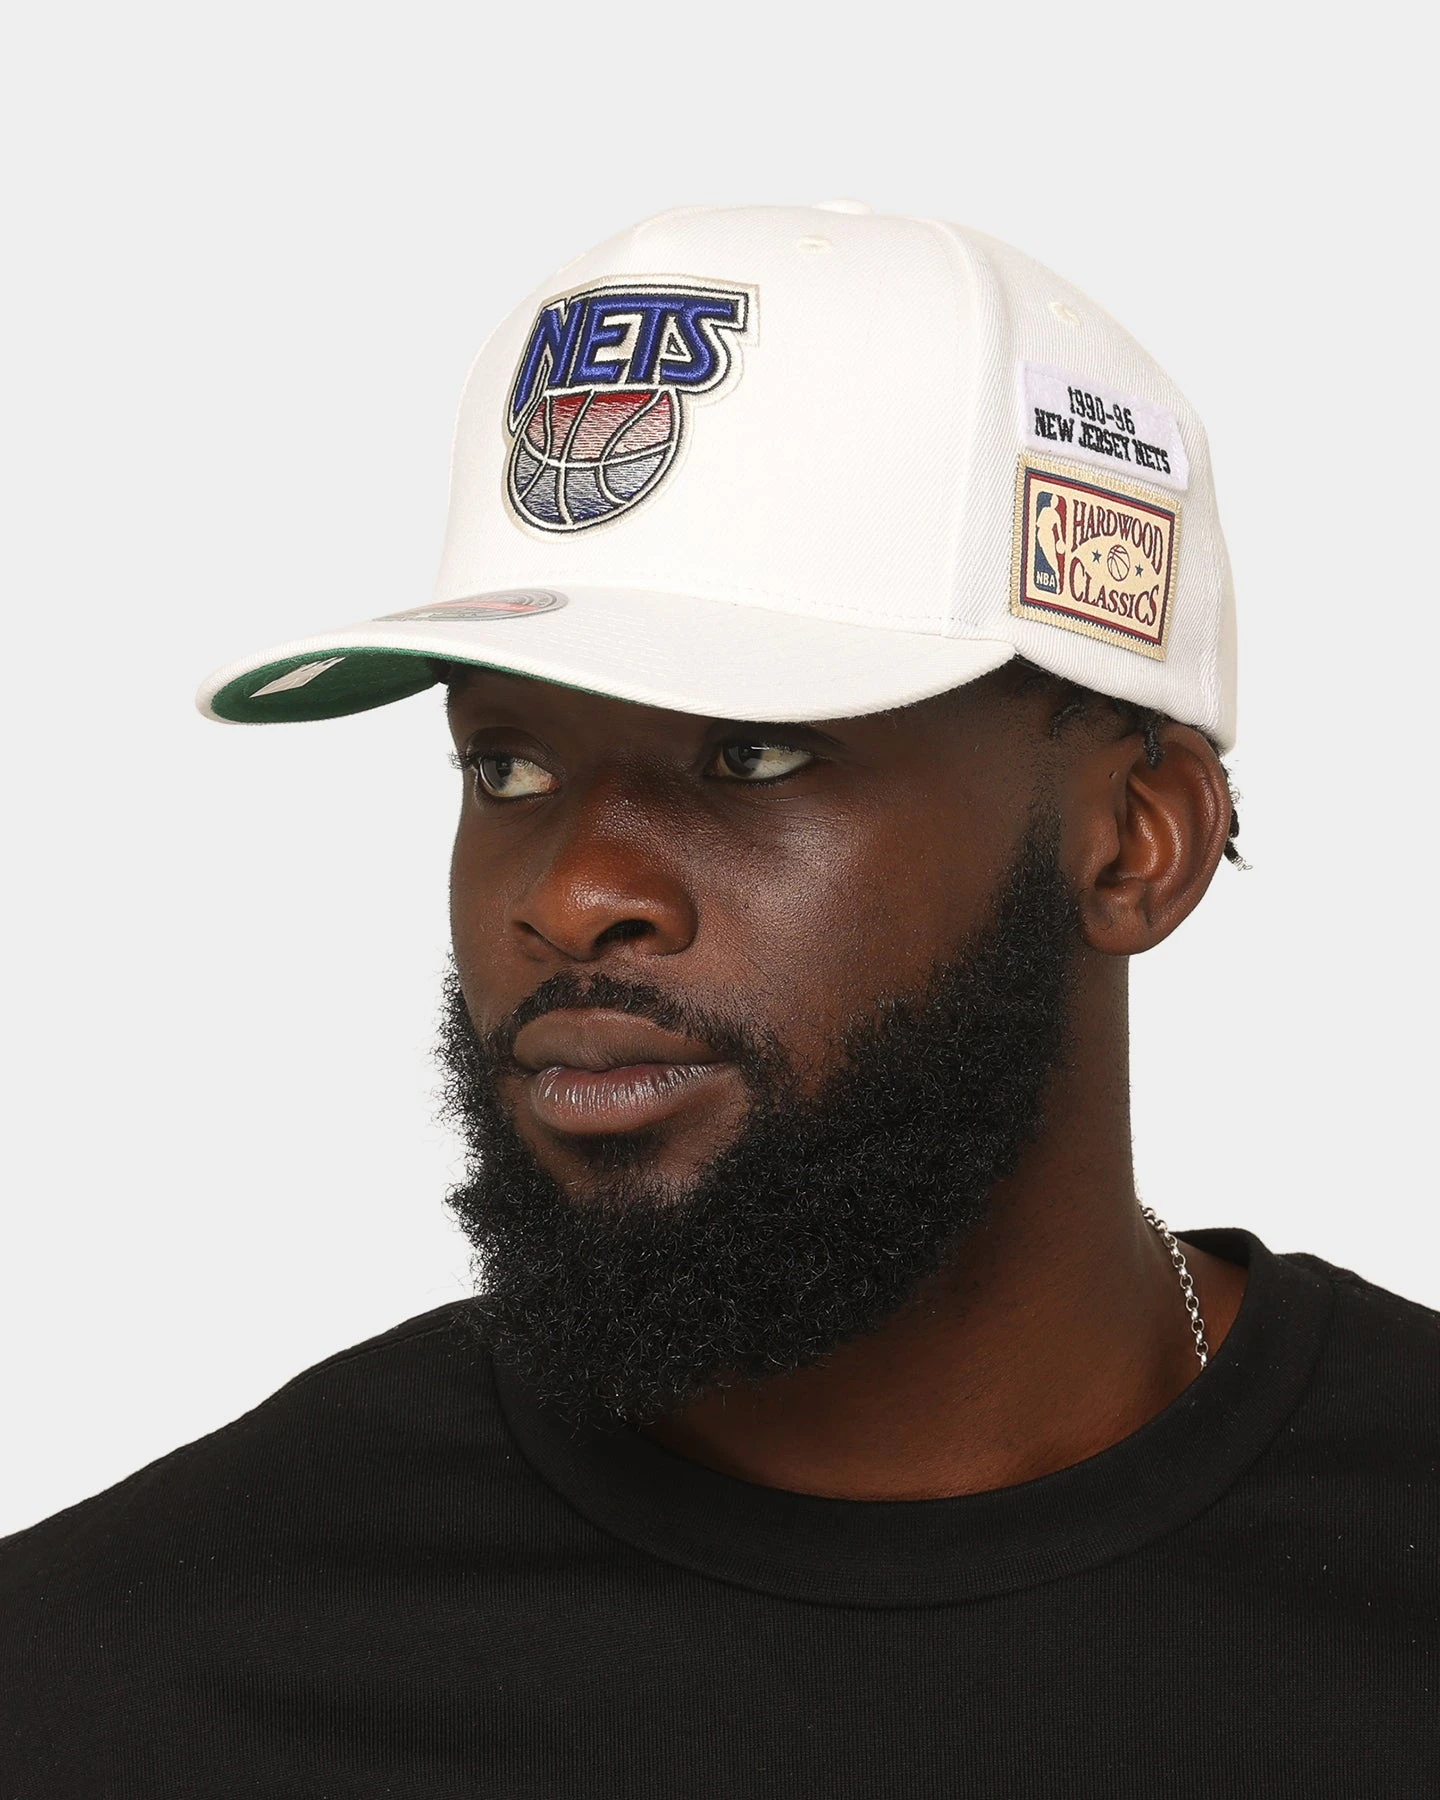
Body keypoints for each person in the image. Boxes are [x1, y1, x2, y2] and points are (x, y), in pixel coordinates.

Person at [3, 202, 1435, 1797]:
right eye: (508, 765)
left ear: (1136, 840)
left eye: (752, 754)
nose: (571, 894)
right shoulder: (118, 1682)